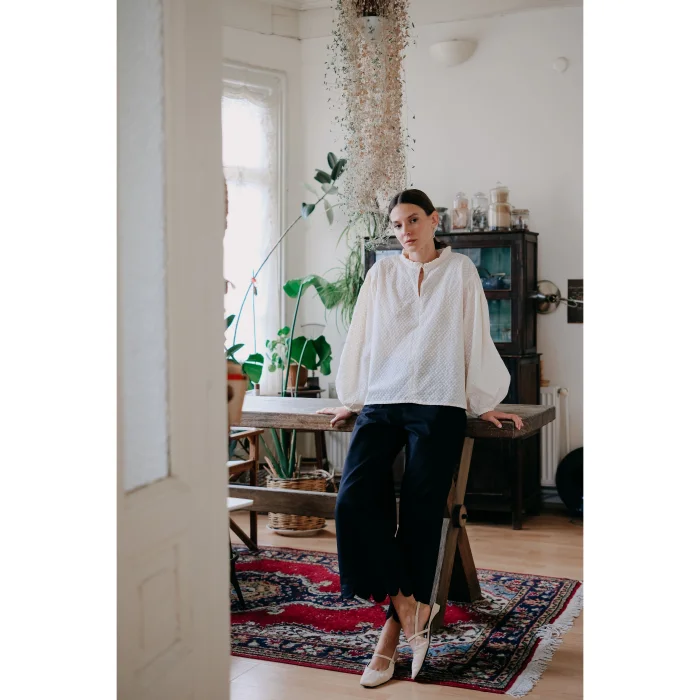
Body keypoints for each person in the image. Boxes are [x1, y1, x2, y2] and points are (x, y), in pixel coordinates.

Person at [316, 189, 523, 687]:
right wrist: (354, 397)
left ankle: (390, 639)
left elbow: (475, 335)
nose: (405, 231)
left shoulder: (461, 272)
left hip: (439, 400)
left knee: (421, 509)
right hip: (384, 399)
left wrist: (481, 399)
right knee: (352, 500)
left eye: (413, 220)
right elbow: (362, 335)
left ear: (434, 220)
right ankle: (410, 607)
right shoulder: (381, 274)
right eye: (397, 224)